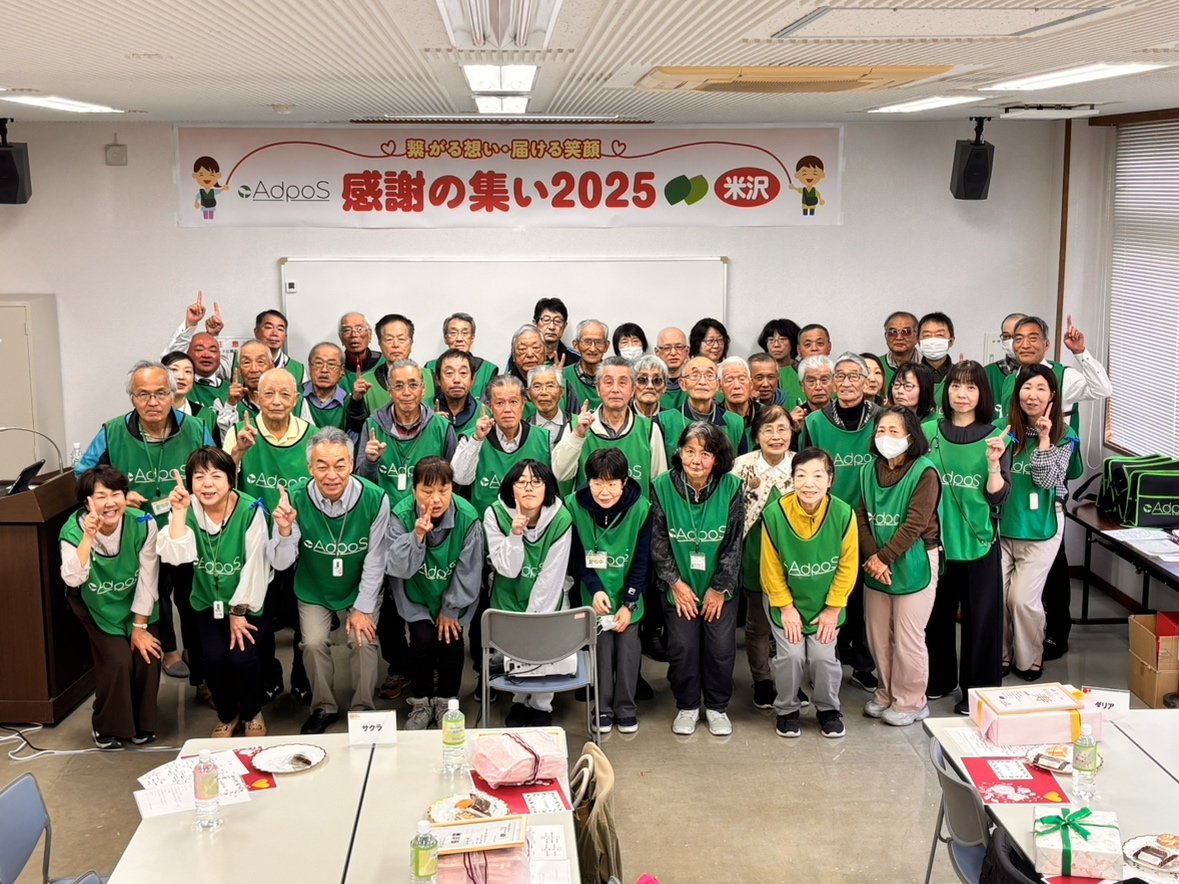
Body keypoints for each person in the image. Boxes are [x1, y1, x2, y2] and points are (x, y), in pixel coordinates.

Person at [77, 361, 213, 685]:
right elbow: (83, 474)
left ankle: (202, 671)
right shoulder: (112, 431)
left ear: (173, 394)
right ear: (132, 398)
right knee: (155, 595)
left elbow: (213, 470)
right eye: (143, 395)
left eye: (161, 393)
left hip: (187, 528)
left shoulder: (195, 428)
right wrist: (119, 496)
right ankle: (169, 651)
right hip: (139, 532)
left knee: (194, 598)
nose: (153, 402)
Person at [1001, 314, 1111, 660]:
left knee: (1052, 563)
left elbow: (1102, 389)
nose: (1025, 344)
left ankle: (1056, 632)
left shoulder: (1064, 376)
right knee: (1010, 581)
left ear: (1046, 344)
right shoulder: (1010, 379)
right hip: (1015, 474)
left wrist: (1081, 353)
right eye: (1018, 338)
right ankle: (1008, 646)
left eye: (1033, 337)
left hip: (1051, 466)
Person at [270, 427, 391, 735]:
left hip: (359, 585)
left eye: (340, 465)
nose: (332, 475)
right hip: (314, 585)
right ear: (310, 467)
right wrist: (284, 530)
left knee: (363, 640)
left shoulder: (375, 498)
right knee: (311, 642)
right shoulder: (294, 498)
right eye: (322, 466)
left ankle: (363, 708)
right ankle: (323, 706)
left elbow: (376, 558)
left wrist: (363, 607)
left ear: (351, 464)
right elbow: (281, 562)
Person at [356, 357, 457, 699]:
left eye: (413, 384)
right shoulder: (373, 424)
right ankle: (399, 667)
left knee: (426, 595)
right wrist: (370, 461)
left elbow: (452, 479)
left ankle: (431, 666)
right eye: (398, 385)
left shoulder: (440, 427)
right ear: (389, 389)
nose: (407, 392)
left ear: (424, 387)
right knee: (389, 601)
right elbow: (362, 481)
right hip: (388, 525)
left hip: (431, 525)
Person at [159, 449, 272, 738]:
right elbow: (176, 556)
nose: (207, 484)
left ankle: (252, 712)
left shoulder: (250, 510)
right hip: (207, 602)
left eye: (216, 476)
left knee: (241, 659)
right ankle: (228, 715)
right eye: (199, 477)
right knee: (213, 660)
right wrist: (179, 513)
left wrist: (238, 611)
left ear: (231, 479)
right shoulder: (187, 508)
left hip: (247, 604)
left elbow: (256, 566)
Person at [923, 361, 1011, 715]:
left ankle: (977, 691)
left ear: (982, 394)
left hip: (979, 542)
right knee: (935, 617)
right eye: (956, 385)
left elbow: (998, 496)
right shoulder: (928, 431)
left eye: (971, 387)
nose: (962, 394)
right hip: (936, 544)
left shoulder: (997, 435)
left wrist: (993, 464)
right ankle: (938, 679)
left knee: (981, 622)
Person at [222, 367, 313, 704]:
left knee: (304, 618)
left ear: (296, 399)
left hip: (301, 539)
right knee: (261, 615)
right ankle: (269, 678)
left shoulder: (312, 435)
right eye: (268, 394)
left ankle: (303, 679)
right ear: (256, 397)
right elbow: (221, 484)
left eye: (284, 394)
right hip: (255, 541)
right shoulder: (239, 432)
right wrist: (238, 453)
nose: (276, 401)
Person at [651, 422, 744, 737]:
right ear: (679, 452)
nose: (696, 460)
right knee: (682, 647)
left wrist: (719, 589)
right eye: (689, 451)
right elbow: (658, 543)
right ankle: (688, 706)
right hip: (679, 586)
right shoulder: (662, 485)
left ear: (717, 458)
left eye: (705, 453)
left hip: (719, 587)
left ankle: (717, 707)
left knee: (720, 649)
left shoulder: (731, 486)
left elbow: (734, 543)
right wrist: (676, 584)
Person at [60, 466, 162, 749]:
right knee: (117, 661)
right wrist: (88, 536)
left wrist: (139, 627)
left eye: (116, 494)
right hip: (97, 607)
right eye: (100, 496)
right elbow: (72, 578)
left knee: (148, 654)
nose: (110, 503)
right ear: (86, 503)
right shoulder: (72, 531)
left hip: (136, 603)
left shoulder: (143, 523)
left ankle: (143, 724)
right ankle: (107, 726)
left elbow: (148, 577)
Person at [760, 447, 858, 739]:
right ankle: (787, 709)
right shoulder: (775, 514)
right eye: (801, 475)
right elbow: (770, 568)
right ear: (792, 479)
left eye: (818, 475)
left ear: (830, 480)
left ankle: (828, 709)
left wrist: (833, 609)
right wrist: (786, 607)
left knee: (822, 657)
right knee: (791, 656)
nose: (809, 483)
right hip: (786, 602)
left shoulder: (843, 513)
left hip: (826, 604)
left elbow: (847, 566)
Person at [799, 352, 880, 691]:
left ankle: (863, 662)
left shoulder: (881, 418)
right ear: (832, 383)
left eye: (854, 376)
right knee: (828, 592)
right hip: (827, 518)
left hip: (870, 521)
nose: (847, 383)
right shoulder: (815, 423)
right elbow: (804, 470)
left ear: (866, 381)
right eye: (840, 376)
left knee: (863, 598)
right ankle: (826, 660)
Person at [858, 407, 941, 727]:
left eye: (894, 431)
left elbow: (915, 523)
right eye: (881, 430)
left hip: (915, 558)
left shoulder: (925, 472)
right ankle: (886, 692)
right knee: (878, 634)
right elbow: (861, 516)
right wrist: (873, 557)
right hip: (876, 561)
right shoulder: (868, 470)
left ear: (911, 436)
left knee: (908, 637)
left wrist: (883, 558)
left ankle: (911, 701)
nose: (886, 437)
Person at [387, 457, 484, 729]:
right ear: (414, 490)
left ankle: (446, 702)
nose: (436, 499)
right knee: (422, 639)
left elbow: (469, 570)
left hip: (452, 595)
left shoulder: (468, 517)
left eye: (444, 490)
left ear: (452, 488)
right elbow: (397, 567)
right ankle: (420, 703)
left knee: (451, 639)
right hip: (416, 594)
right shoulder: (401, 515)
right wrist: (416, 536)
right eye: (427, 491)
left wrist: (450, 609)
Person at [999, 365, 1077, 682]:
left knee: (1021, 599)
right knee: (998, 596)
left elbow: (1046, 481)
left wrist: (1044, 440)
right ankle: (1001, 654)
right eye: (1027, 387)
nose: (1032, 395)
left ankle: (1030, 657)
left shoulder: (1064, 435)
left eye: (1041, 388)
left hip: (1042, 526)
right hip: (1004, 524)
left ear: (1052, 396)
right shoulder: (1003, 430)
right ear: (1017, 392)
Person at [568, 448, 652, 734]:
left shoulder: (641, 509)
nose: (604, 492)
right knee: (601, 649)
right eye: (597, 483)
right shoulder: (574, 505)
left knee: (628, 648)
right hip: (594, 593)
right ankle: (602, 708)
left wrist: (629, 603)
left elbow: (642, 561)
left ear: (624, 482)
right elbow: (577, 557)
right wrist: (594, 589)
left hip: (628, 592)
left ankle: (626, 708)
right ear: (588, 481)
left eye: (612, 484)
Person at [484, 460, 573, 727]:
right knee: (516, 649)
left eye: (536, 482)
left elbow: (551, 576)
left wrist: (534, 620)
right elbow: (508, 569)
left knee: (544, 642)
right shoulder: (494, 514)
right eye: (521, 482)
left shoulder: (561, 518)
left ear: (548, 488)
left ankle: (541, 705)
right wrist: (515, 534)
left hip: (547, 596)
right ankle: (519, 700)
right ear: (511, 488)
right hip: (508, 594)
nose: (529, 488)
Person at [731, 405, 794, 710]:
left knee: (791, 624)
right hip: (755, 557)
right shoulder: (741, 466)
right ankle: (763, 681)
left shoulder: (802, 465)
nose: (775, 436)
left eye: (782, 428)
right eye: (767, 429)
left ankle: (791, 682)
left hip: (795, 561)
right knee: (758, 625)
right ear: (756, 435)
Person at [552, 356, 668, 495]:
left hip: (636, 509)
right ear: (598, 389)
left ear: (632, 390)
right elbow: (561, 474)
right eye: (608, 382)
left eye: (622, 383)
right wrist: (577, 436)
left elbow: (660, 486)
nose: (615, 389)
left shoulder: (649, 430)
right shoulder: (577, 427)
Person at [452, 375, 552, 517]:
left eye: (513, 402)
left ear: (523, 404)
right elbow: (460, 478)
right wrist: (477, 440)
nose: (507, 409)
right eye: (499, 403)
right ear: (489, 406)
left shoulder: (544, 438)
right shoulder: (471, 438)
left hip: (531, 525)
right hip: (484, 524)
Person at [353, 314, 435, 415]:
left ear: (411, 342)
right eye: (389, 339)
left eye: (401, 339)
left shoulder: (431, 377)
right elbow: (356, 423)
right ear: (379, 343)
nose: (395, 345)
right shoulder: (366, 382)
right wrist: (356, 401)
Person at [677, 356, 744, 455]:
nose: (702, 382)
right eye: (695, 375)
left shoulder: (735, 423)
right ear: (683, 384)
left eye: (709, 375)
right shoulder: (664, 421)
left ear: (718, 384)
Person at [425, 312, 499, 401]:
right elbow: (426, 403)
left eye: (465, 333)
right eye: (453, 333)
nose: (459, 339)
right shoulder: (430, 368)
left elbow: (488, 405)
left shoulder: (488, 370)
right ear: (445, 338)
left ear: (472, 338)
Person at [303, 342, 360, 434]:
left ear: (342, 370)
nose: (324, 370)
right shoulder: (295, 395)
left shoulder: (349, 402)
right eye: (318, 363)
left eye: (331, 364)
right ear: (310, 367)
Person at [162, 350, 218, 443]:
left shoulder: (206, 415)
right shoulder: (151, 412)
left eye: (188, 371)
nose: (181, 376)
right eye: (174, 370)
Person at [433, 348, 482, 439]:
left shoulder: (484, 413)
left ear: (473, 379)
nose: (456, 380)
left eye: (463, 373)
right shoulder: (423, 411)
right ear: (438, 380)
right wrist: (429, 428)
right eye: (449, 373)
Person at [983, 312, 1027, 410]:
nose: (1011, 341)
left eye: (1017, 336)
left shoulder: (1049, 372)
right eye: (1006, 336)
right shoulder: (988, 373)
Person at [563, 319, 610, 409]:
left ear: (606, 346)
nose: (592, 349)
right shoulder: (564, 376)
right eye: (587, 342)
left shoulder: (614, 376)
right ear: (576, 345)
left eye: (598, 342)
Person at [789, 355, 835, 441]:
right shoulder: (796, 419)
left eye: (824, 380)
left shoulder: (842, 414)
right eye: (811, 381)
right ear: (802, 386)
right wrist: (791, 430)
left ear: (834, 383)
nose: (818, 387)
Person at [527, 365, 572, 450]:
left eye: (550, 386)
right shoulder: (522, 428)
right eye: (537, 386)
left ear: (561, 392)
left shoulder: (576, 423)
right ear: (529, 393)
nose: (544, 392)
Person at [719, 357, 756, 453]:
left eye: (742, 379)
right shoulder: (715, 418)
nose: (737, 386)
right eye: (729, 380)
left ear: (751, 384)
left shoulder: (765, 415)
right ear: (720, 386)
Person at [338, 311, 382, 389]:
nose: (353, 335)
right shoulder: (335, 367)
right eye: (347, 330)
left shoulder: (384, 362)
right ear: (341, 338)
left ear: (370, 334)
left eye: (359, 329)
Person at [531, 297, 579, 368]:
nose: (551, 327)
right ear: (535, 324)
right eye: (546, 320)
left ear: (564, 326)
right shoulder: (524, 357)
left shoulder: (576, 359)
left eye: (557, 321)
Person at [879, 311, 919, 388]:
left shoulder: (928, 365)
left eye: (906, 332)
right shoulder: (876, 366)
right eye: (893, 332)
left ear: (917, 336)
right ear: (886, 336)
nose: (899, 337)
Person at [653, 327, 690, 410]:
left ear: (687, 351)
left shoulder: (695, 384)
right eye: (667, 348)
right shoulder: (648, 385)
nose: (673, 353)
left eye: (679, 347)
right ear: (657, 352)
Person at [916, 312, 955, 383]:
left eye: (940, 335)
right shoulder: (910, 375)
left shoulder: (960, 374)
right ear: (919, 342)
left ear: (951, 341)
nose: (933, 341)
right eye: (927, 335)